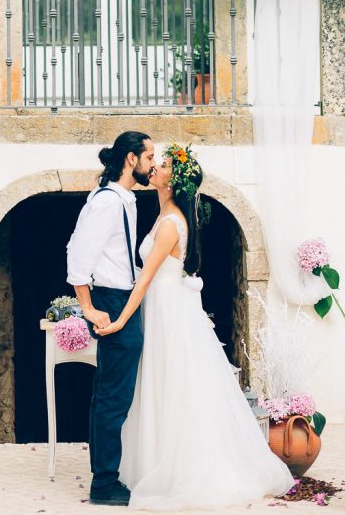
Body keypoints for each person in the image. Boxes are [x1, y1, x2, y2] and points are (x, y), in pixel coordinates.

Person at [96, 144, 295, 510]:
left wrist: (121, 319)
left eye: (164, 165)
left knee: (172, 384)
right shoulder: (164, 215)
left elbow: (145, 279)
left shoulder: (171, 224)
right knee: (162, 383)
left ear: (174, 182)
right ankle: (152, 462)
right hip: (163, 305)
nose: (155, 167)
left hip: (167, 310)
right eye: (157, 162)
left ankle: (181, 468)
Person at [66, 131, 156, 507]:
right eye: (149, 157)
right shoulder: (106, 202)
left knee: (113, 394)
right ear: (131, 159)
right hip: (113, 300)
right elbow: (77, 255)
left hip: (123, 298)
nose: (153, 164)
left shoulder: (122, 199)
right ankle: (104, 483)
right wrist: (88, 307)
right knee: (113, 397)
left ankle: (106, 475)